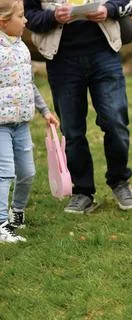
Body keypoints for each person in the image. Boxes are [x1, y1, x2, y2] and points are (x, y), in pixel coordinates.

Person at [24, 0, 132, 213]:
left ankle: (119, 181)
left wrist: (109, 10)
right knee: (72, 130)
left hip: (104, 54)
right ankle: (83, 191)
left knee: (115, 121)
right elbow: (28, 16)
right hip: (61, 60)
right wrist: (53, 17)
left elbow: (129, 1)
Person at [0, 0, 59, 243]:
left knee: (27, 172)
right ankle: (1, 223)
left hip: (21, 123)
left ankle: (17, 213)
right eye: (21, 16)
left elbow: (29, 85)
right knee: (5, 173)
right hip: (1, 126)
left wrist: (45, 111)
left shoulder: (23, 48)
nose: (26, 21)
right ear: (3, 22)